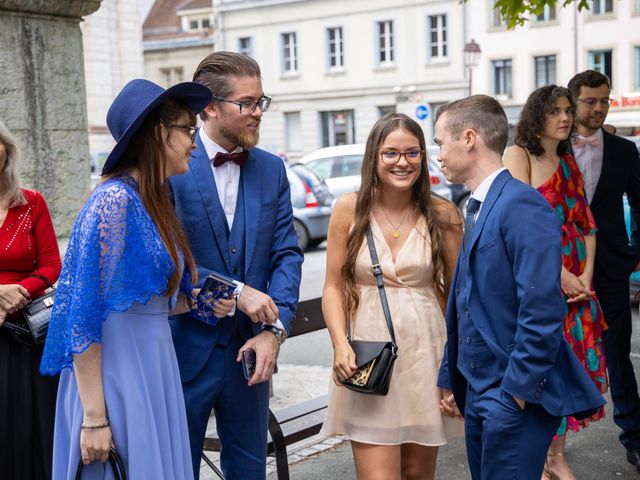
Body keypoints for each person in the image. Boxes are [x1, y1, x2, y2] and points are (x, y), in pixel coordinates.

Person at [40, 79, 219, 479]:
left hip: (152, 368)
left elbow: (145, 297)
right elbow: (83, 315)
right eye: (188, 129)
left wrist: (201, 302)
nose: (195, 141)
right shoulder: (114, 202)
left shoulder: (150, 199)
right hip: (117, 376)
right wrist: (93, 419)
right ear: (159, 133)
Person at [435, 95, 605, 480]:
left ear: (469, 138)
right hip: (478, 389)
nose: (439, 154)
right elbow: (466, 299)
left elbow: (542, 309)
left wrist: (515, 394)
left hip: (511, 394)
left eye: (441, 142)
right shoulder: (477, 204)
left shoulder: (522, 204)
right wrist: (450, 376)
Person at [169, 51, 303, 479]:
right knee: (176, 468)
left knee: (249, 470)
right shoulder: (171, 165)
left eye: (261, 102)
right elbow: (168, 260)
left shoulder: (272, 169)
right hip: (183, 352)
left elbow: (286, 255)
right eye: (247, 103)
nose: (258, 113)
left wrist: (273, 331)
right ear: (209, 106)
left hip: (251, 354)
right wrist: (235, 292)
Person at [320, 113, 464, 479]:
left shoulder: (442, 213)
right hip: (369, 358)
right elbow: (333, 286)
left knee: (418, 473)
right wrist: (340, 343)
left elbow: (460, 293)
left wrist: (457, 360)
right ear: (374, 157)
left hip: (426, 355)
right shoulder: (348, 209)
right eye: (391, 153)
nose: (402, 162)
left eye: (412, 153)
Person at [503, 85, 608, 480]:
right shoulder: (519, 156)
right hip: (539, 279)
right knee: (541, 362)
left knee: (570, 365)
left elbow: (588, 226)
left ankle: (555, 456)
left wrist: (584, 276)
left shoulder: (568, 161)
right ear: (536, 115)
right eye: (555, 111)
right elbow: (520, 226)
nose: (565, 117)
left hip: (576, 285)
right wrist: (560, 275)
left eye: (568, 110)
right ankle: (546, 459)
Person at [568, 70, 640, 471]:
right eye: (589, 101)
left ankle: (634, 436)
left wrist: (635, 253)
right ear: (573, 101)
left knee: (617, 354)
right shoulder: (553, 148)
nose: (597, 108)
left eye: (603, 101)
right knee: (558, 349)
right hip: (559, 266)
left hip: (612, 265)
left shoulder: (625, 150)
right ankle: (550, 440)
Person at [0, 120, 62, 480]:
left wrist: (16, 296)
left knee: (33, 425)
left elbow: (52, 264)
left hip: (27, 335)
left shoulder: (31, 202)